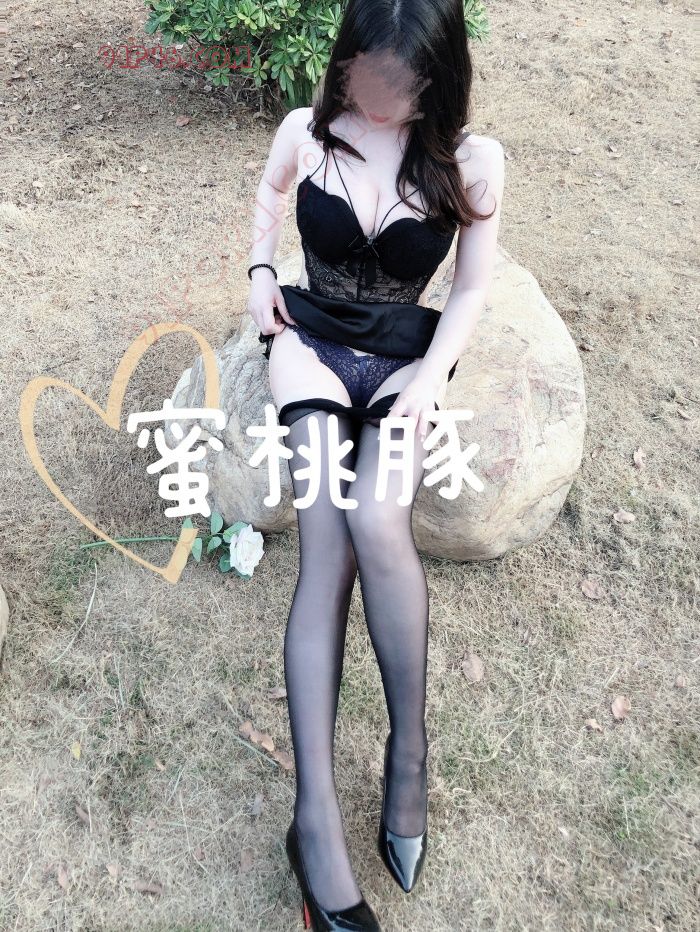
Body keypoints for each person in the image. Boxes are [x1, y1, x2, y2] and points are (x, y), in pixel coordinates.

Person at [246, 2, 504, 927]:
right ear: (347, 60)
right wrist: (261, 273)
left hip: (405, 361)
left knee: (377, 518)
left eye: (402, 84)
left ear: (437, 74)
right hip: (310, 347)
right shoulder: (305, 132)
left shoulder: (471, 159)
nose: (381, 100)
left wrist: (430, 382)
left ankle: (408, 757)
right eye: (367, 77)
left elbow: (471, 285)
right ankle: (315, 824)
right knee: (327, 540)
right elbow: (269, 195)